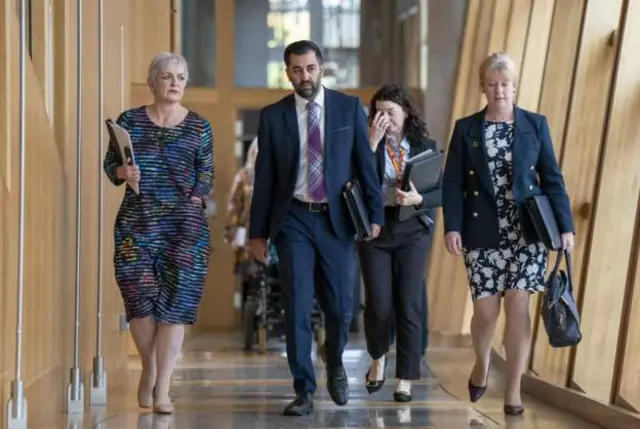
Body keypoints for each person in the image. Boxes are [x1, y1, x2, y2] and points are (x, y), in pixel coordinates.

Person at [248, 39, 383, 416]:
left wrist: (375, 215)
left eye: (309, 68)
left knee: (341, 307)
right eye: (296, 69)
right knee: (295, 305)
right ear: (287, 72)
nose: (303, 76)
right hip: (293, 219)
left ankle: (335, 360)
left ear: (321, 67)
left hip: (336, 218)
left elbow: (365, 166)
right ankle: (303, 389)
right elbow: (266, 179)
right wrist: (257, 233)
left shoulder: (348, 108)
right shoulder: (273, 116)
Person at [442, 52, 574, 415]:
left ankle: (514, 389)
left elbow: (552, 178)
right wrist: (452, 226)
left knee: (518, 305)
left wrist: (565, 226)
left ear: (514, 86)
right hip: (480, 230)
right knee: (486, 313)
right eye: (491, 83)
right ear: (483, 87)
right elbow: (452, 183)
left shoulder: (535, 124)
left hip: (527, 232)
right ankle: (482, 359)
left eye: (505, 83)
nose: (499, 89)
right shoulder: (466, 128)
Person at [103, 52, 214, 415]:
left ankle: (162, 387)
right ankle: (149, 368)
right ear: (152, 83)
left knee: (176, 307)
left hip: (185, 228)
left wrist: (196, 198)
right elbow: (110, 165)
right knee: (139, 300)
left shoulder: (200, 127)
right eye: (166, 77)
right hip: (137, 222)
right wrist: (123, 173)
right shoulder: (129, 121)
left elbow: (206, 173)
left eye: (181, 77)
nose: (174, 83)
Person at [359, 83, 442, 402]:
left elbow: (440, 191)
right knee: (379, 303)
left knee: (409, 303)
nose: (385, 119)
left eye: (390, 113)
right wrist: (371, 142)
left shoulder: (424, 144)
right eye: (378, 113)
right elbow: (354, 179)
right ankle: (377, 359)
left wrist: (419, 197)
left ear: (406, 113)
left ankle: (405, 377)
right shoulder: (367, 143)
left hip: (412, 230)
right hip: (376, 230)